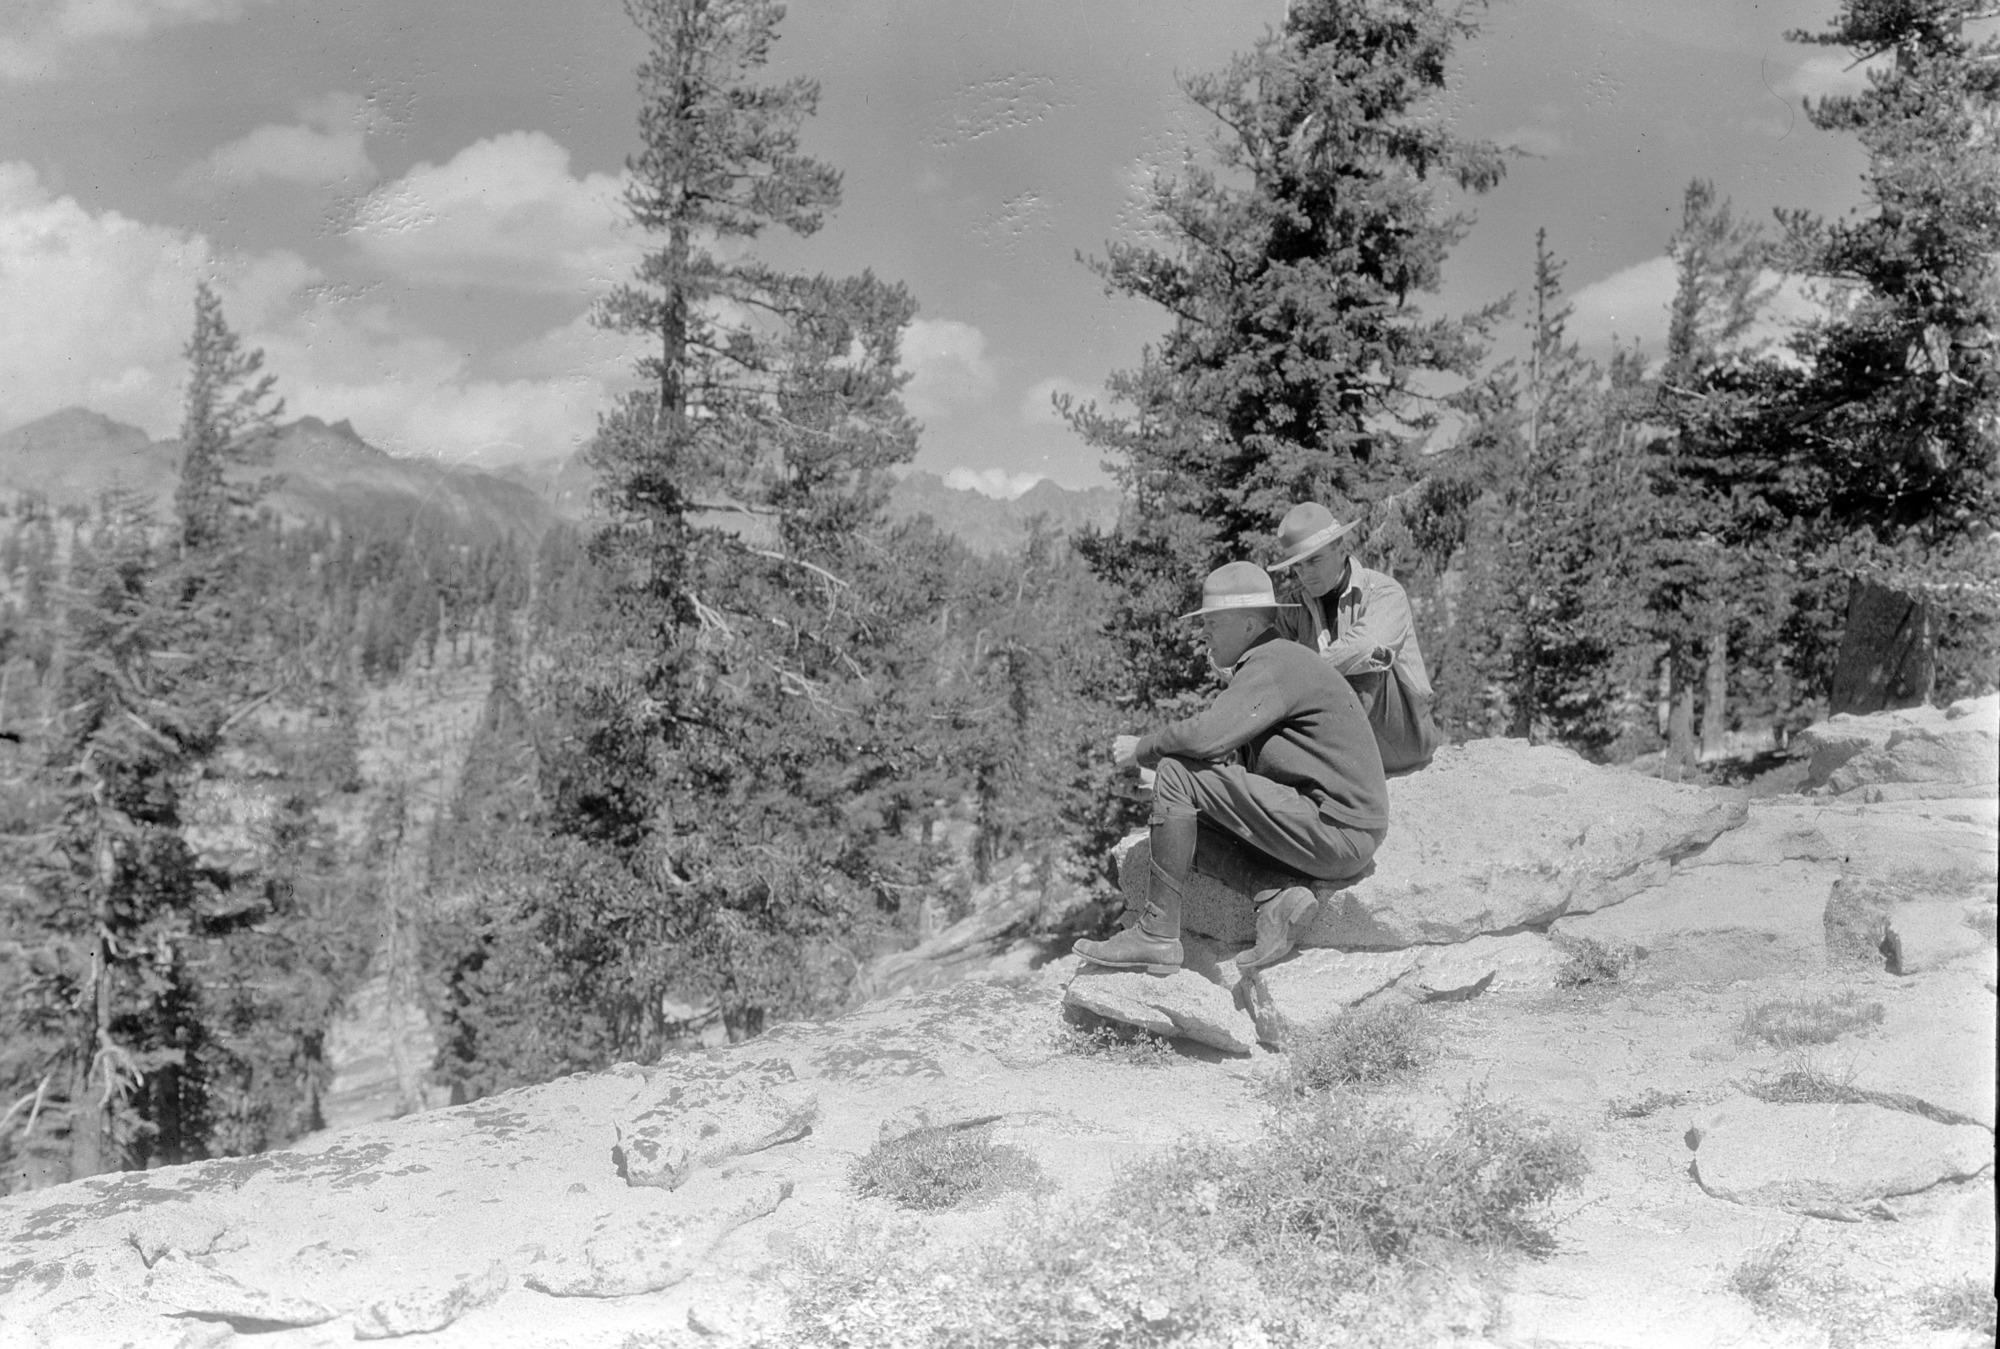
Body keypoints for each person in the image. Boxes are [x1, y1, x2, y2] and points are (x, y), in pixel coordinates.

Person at [1073, 561, 1389, 976]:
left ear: (1247, 624)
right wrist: (1161, 790)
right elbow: (1243, 769)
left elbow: (1205, 738)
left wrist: (1143, 749)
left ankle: (1156, 936)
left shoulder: (1275, 663)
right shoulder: (1275, 661)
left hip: (1337, 831)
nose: (1203, 633)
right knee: (1186, 823)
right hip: (1334, 831)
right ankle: (1275, 897)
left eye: (1213, 623)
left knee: (1176, 770)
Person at [1268, 501, 1441, 775]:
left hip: (1403, 737)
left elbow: (1368, 647)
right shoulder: (1297, 603)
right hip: (1351, 743)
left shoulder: (1384, 591)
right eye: (1298, 566)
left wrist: (1302, 673)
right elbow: (1258, 646)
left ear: (1341, 548)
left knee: (1363, 663)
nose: (1306, 574)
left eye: (1315, 560)